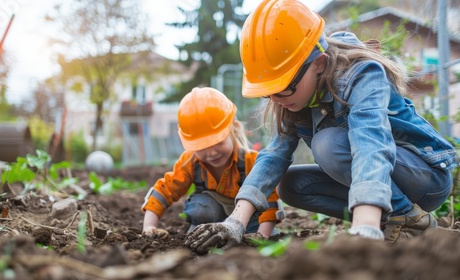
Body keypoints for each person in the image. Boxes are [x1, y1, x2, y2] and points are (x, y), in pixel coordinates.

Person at [186, 0, 458, 253]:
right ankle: (400, 220)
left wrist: (364, 228)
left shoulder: (363, 75)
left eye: (284, 88)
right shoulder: (293, 100)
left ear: (319, 63)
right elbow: (273, 157)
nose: (277, 100)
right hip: (388, 183)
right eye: (268, 92)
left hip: (425, 176)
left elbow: (371, 145)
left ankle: (404, 219)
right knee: (291, 184)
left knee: (327, 144)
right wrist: (235, 221)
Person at [141, 87, 283, 241]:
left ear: (234, 129)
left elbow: (269, 200)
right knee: (202, 208)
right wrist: (149, 226)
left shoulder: (252, 161)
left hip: (249, 223)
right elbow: (165, 190)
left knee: (266, 228)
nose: (212, 153)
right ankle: (201, 232)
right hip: (209, 220)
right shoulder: (190, 161)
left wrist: (262, 235)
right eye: (201, 147)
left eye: (218, 142)